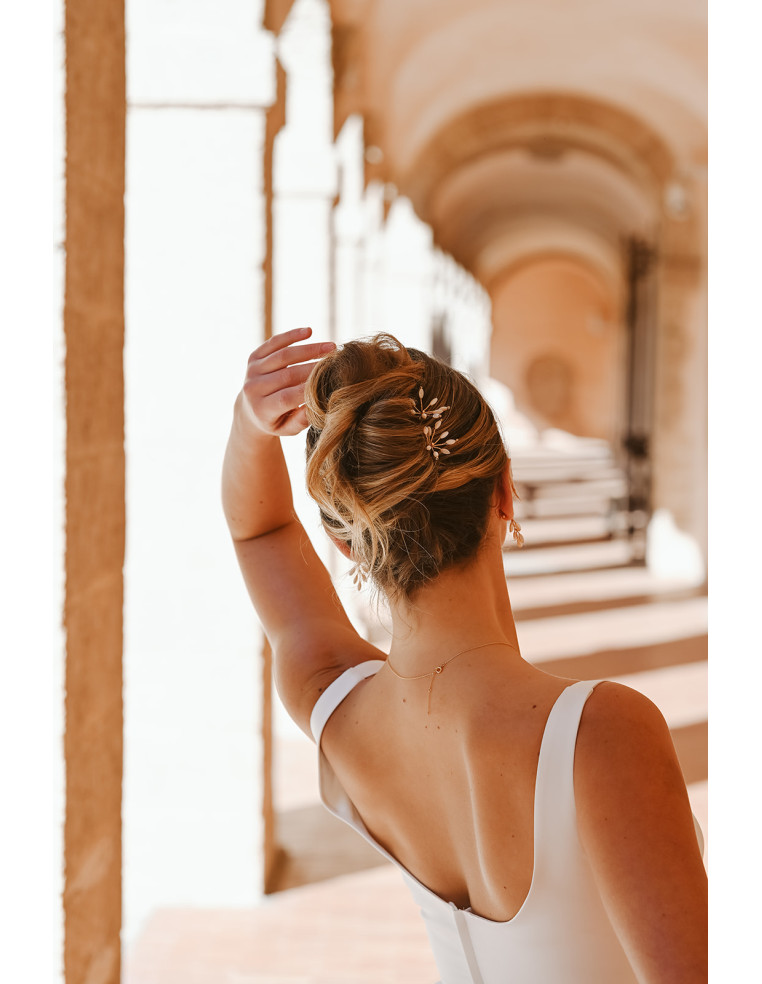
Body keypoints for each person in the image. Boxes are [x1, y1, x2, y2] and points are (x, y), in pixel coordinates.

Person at [222, 326, 707, 984]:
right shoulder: (603, 733)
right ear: (506, 493)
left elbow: (260, 532)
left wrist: (249, 424)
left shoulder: (336, 705)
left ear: (348, 545)